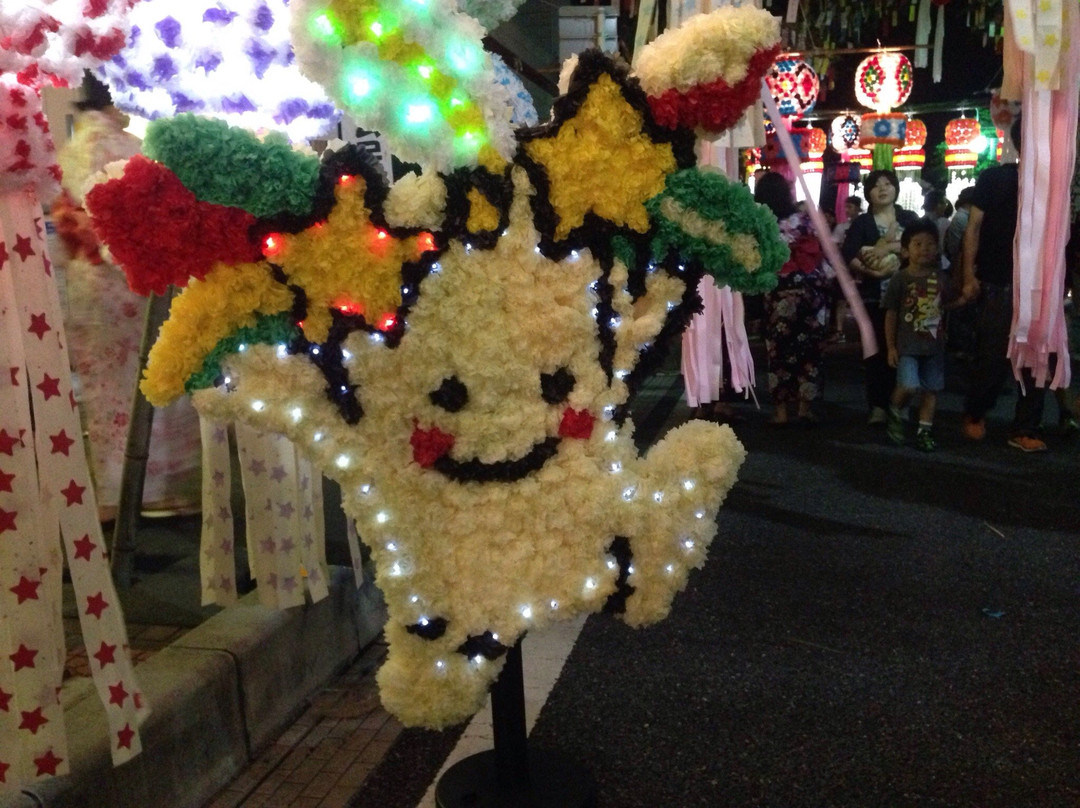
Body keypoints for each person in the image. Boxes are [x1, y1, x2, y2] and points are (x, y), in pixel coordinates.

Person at [53, 74, 202, 519]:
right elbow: (130, 220)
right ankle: (149, 490)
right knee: (145, 381)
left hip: (91, 282)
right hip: (122, 282)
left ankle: (116, 491)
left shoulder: (78, 145)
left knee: (108, 393)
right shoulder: (117, 145)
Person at [956, 118, 1048, 452]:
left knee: (1037, 357)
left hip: (1040, 282)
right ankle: (976, 410)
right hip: (998, 279)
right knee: (993, 355)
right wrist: (969, 276)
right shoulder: (995, 177)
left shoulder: (1053, 179)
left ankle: (1025, 427)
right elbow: (973, 227)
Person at [753, 172, 832, 426]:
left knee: (779, 351)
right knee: (810, 351)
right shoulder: (805, 219)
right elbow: (822, 249)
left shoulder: (761, 223)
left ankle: (781, 412)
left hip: (779, 291)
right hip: (811, 290)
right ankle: (804, 408)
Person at [842, 170, 920, 424]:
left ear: (896, 188)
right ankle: (878, 405)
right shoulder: (862, 223)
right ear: (868, 193)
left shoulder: (909, 218)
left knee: (906, 350)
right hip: (875, 297)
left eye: (888, 184)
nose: (883, 189)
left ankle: (900, 403)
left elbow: (923, 244)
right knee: (876, 351)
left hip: (909, 296)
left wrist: (886, 247)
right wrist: (871, 272)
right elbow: (849, 253)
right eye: (876, 186)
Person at [882, 219, 950, 451]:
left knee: (931, 390)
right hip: (907, 346)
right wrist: (891, 346)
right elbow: (891, 313)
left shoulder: (941, 278)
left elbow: (947, 305)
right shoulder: (900, 278)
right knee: (909, 385)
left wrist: (965, 297)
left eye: (930, 244)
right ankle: (894, 410)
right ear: (905, 250)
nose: (924, 249)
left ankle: (924, 430)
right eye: (918, 244)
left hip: (934, 346)